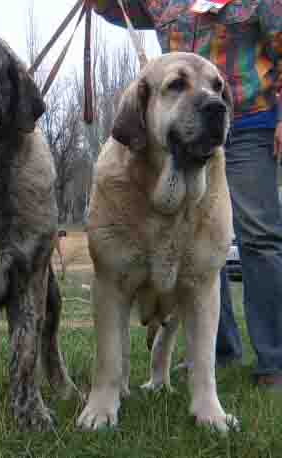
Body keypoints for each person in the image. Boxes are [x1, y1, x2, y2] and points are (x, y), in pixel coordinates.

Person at [94, 0, 282, 388]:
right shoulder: (165, 1)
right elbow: (116, 10)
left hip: (246, 120)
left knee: (260, 237)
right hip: (180, 130)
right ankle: (219, 355)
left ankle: (274, 362)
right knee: (201, 247)